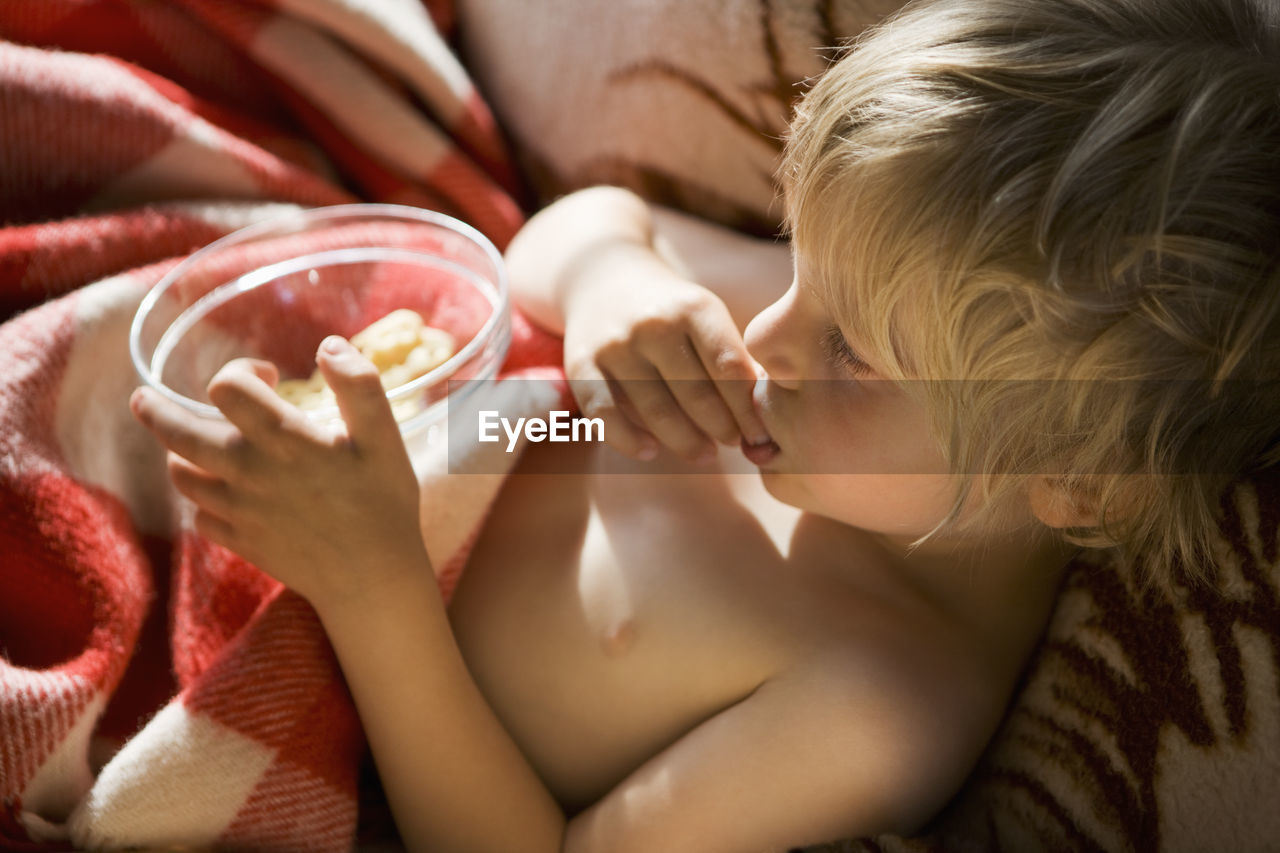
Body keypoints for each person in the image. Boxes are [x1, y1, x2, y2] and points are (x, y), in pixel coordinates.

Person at [128, 0, 1280, 848]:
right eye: (796, 268)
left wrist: (371, 584)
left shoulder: (874, 700)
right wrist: (608, 282)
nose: (766, 332)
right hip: (338, 441)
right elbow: (571, 231)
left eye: (850, 353)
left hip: (328, 621)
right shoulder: (855, 318)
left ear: (1075, 481)